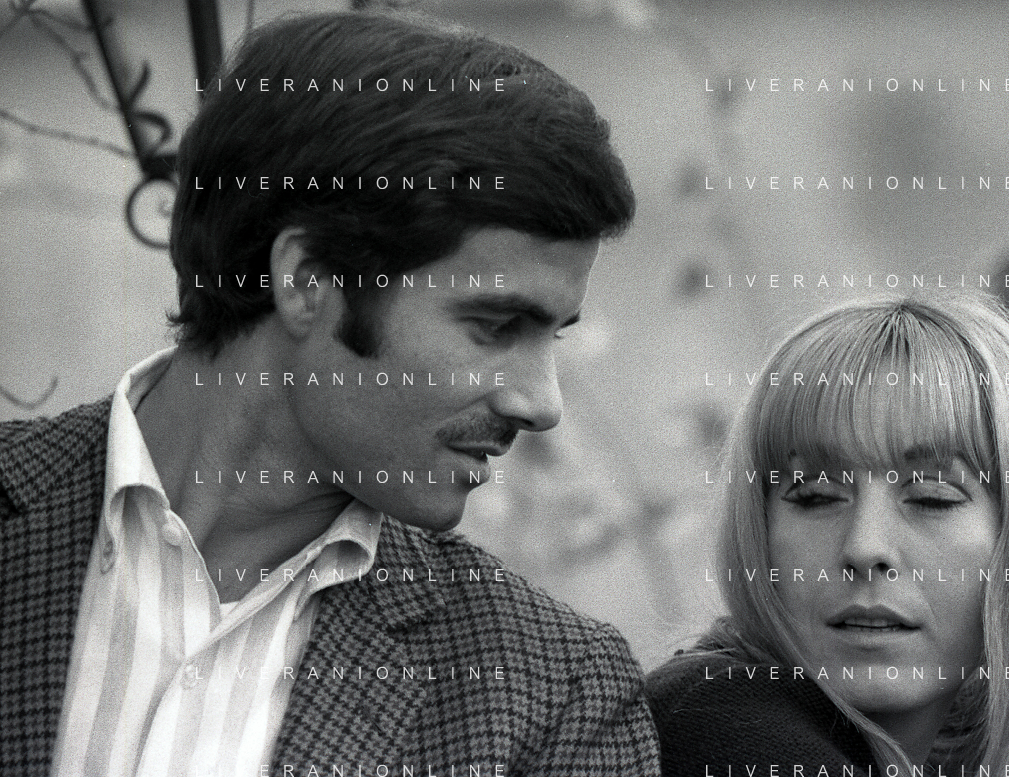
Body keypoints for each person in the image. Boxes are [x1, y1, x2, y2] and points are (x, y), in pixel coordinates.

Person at [0, 10, 658, 777]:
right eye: (495, 325)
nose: (541, 404)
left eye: (555, 335)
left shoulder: (551, 696)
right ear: (308, 280)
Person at [647, 295, 1009, 776]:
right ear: (758, 530)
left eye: (930, 497)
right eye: (816, 496)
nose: (864, 548)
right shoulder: (721, 729)